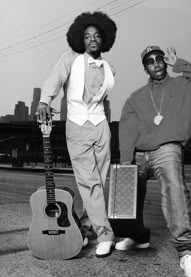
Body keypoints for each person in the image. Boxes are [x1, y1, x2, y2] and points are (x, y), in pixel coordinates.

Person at [116, 45, 191, 277]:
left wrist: (178, 62)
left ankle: (187, 251)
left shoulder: (184, 85)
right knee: (125, 191)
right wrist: (127, 162)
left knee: (174, 187)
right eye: (150, 61)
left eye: (159, 59)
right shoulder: (136, 97)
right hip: (140, 151)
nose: (156, 64)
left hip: (167, 147)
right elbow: (127, 131)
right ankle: (137, 236)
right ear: (145, 68)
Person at [36, 11, 117, 258]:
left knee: (98, 184)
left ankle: (84, 227)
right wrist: (44, 100)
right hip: (78, 125)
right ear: (80, 40)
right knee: (88, 181)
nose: (92, 39)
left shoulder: (109, 68)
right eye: (87, 36)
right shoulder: (70, 59)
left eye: (97, 36)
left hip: (102, 126)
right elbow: (55, 79)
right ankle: (105, 234)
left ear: (104, 40)